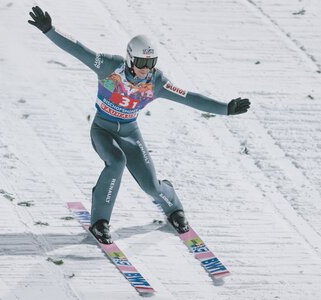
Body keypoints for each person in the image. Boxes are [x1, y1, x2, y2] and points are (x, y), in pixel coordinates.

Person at [28, 6, 251, 244]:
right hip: (102, 129)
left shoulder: (157, 82)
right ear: (130, 59)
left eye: (151, 63)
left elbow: (189, 97)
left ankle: (174, 208)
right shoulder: (109, 67)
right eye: (141, 63)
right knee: (116, 162)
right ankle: (100, 221)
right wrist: (50, 31)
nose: (146, 69)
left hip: (130, 132)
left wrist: (225, 108)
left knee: (151, 187)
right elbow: (79, 50)